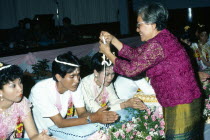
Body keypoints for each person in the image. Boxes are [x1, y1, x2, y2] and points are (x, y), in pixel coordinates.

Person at [99, 2, 203, 139]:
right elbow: (136, 55)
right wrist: (113, 40)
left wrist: (109, 54)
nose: (137, 29)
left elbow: (132, 69)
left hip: (181, 102)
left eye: (139, 24)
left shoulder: (158, 44)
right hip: (183, 99)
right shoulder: (163, 38)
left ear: (153, 25)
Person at [28, 51, 118, 139]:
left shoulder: (75, 85)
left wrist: (98, 115)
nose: (77, 80)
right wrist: (94, 118)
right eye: (72, 76)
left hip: (61, 133)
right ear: (58, 76)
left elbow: (82, 113)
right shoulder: (40, 90)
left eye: (78, 75)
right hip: (40, 135)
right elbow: (60, 123)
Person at [74, 52, 146, 118]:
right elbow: (96, 111)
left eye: (113, 74)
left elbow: (114, 101)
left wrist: (131, 101)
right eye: (106, 74)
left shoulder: (106, 82)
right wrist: (125, 104)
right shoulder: (85, 84)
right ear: (96, 72)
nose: (110, 78)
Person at [0, 63, 54, 140]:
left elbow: (33, 135)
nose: (20, 88)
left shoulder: (22, 103)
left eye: (20, 82)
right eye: (13, 85)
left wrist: (40, 137)